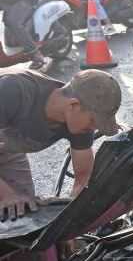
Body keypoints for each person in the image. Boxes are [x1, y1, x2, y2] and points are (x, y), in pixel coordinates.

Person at [0, 68, 121, 217]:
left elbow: (83, 179)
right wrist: (7, 194)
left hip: (9, 150)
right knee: (9, 201)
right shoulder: (12, 90)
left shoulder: (80, 123)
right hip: (6, 139)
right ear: (73, 105)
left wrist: (67, 216)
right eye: (92, 121)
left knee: (23, 216)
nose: (94, 128)